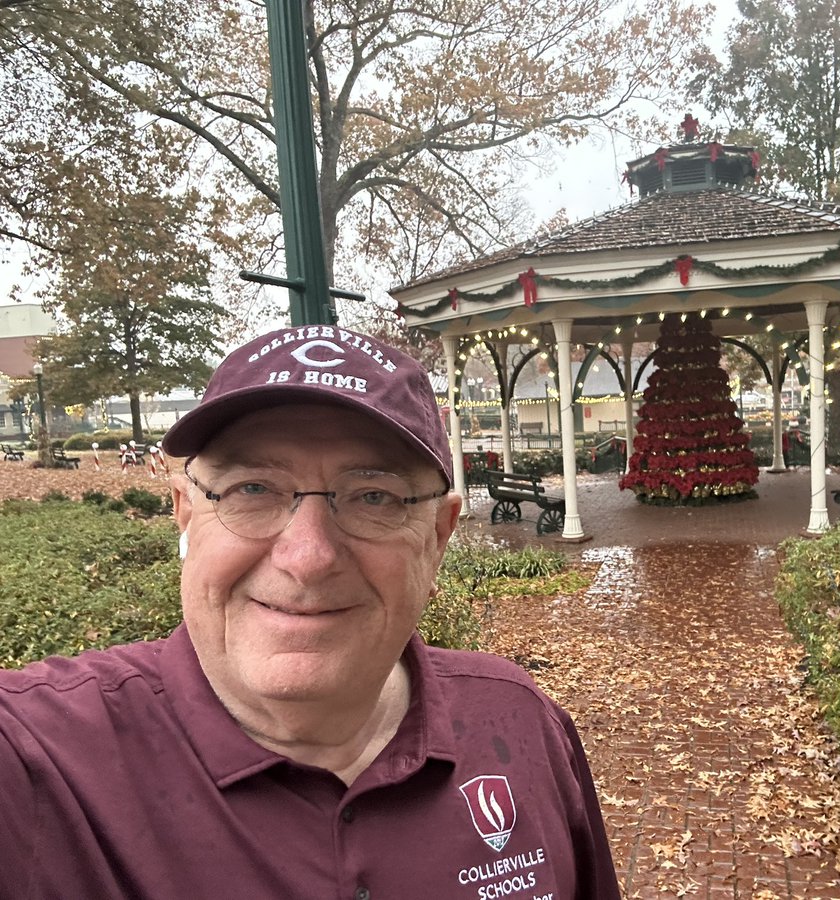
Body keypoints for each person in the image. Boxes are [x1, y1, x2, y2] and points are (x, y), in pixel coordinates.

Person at [0, 325, 620, 899]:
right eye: (251, 490)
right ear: (186, 514)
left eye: (373, 496)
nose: (309, 557)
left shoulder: (520, 723)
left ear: (437, 537)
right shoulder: (40, 764)